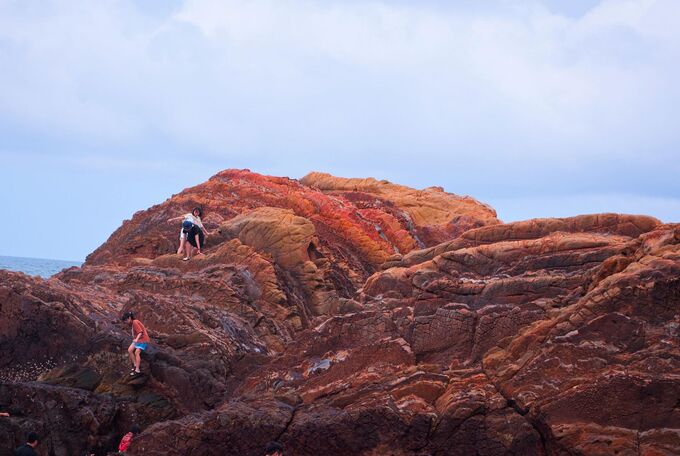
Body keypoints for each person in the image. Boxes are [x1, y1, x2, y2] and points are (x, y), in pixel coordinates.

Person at [121, 312, 151, 376]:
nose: (125, 322)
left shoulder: (135, 322)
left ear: (129, 318)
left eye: (126, 320)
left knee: (137, 352)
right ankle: (135, 364)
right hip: (138, 339)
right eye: (124, 321)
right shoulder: (132, 323)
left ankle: (137, 369)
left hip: (143, 339)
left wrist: (136, 340)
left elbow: (140, 332)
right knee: (130, 350)